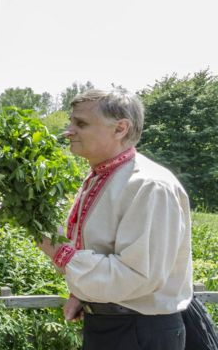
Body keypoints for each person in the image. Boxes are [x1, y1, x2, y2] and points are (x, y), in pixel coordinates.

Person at [38, 89, 192, 350]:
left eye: (81, 123)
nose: (68, 130)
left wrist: (58, 252)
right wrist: (84, 295)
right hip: (114, 326)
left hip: (139, 332)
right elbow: (103, 248)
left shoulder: (150, 186)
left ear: (120, 128)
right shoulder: (103, 176)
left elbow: (138, 275)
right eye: (71, 121)